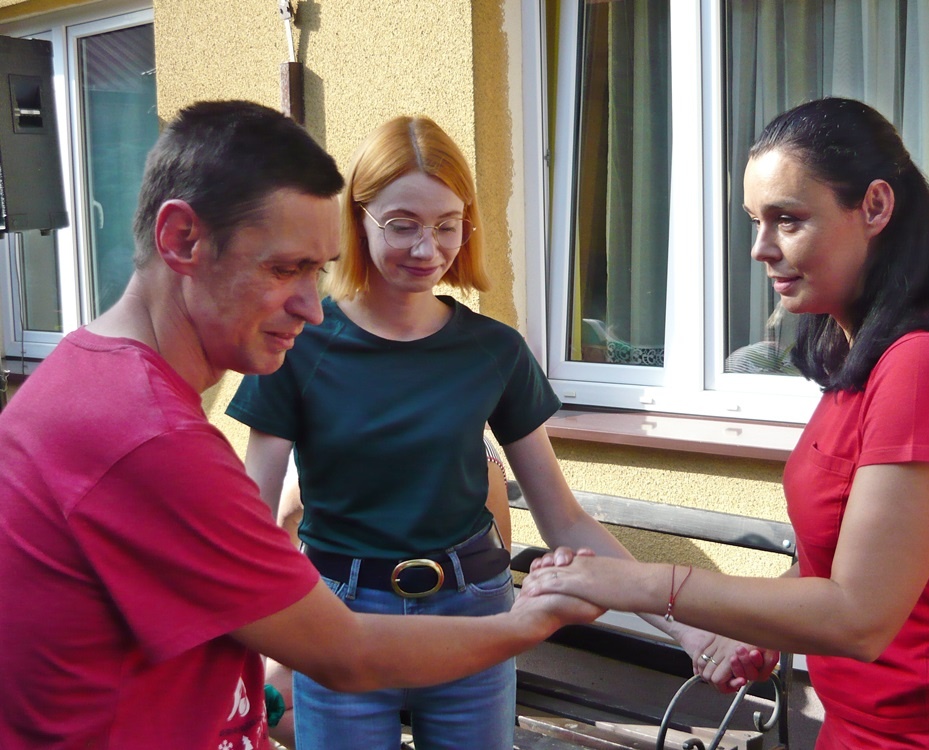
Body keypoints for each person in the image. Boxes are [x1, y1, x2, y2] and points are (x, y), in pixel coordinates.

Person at [0, 100, 604, 750]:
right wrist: (528, 622)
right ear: (182, 239)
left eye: (317, 271)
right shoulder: (150, 438)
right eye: (284, 268)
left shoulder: (79, 378)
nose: (313, 310)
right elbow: (345, 652)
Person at [226, 114, 772, 750]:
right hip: (340, 616)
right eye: (402, 224)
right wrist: (258, 650)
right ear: (359, 218)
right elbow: (252, 525)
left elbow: (564, 519)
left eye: (446, 225)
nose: (427, 249)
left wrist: (693, 631)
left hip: (474, 613)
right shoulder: (299, 345)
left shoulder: (493, 349)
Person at [522, 97, 929, 747]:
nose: (760, 248)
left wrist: (639, 583)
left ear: (875, 207)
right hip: (861, 724)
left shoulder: (926, 363)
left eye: (788, 220)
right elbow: (836, 558)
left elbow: (860, 615)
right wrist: (750, 628)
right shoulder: (868, 350)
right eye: (755, 221)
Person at [263, 434, 511, 749]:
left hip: (441, 638)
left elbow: (493, 561)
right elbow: (287, 517)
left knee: (274, 689)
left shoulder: (474, 454)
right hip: (362, 630)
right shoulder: (349, 437)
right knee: (267, 692)